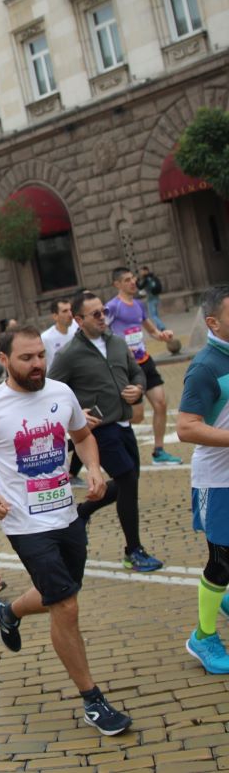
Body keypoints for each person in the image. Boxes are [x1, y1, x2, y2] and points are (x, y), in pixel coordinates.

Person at [0, 325, 133, 736]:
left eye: (40, 356)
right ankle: (93, 700)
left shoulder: (60, 393)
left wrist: (91, 467)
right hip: (24, 522)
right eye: (26, 358)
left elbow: (83, 435)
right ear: (4, 361)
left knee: (64, 591)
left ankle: (7, 612)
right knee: (66, 606)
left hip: (67, 515)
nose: (37, 365)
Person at [49, 290, 164, 572]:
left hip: (125, 424)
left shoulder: (116, 341)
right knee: (126, 479)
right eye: (96, 314)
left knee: (130, 480)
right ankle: (133, 550)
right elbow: (50, 391)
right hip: (100, 429)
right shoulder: (69, 354)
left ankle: (83, 512)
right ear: (79, 319)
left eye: (104, 311)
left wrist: (137, 388)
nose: (103, 317)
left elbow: (135, 371)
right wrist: (74, 414)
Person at [176, 284, 229, 673]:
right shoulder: (205, 366)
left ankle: (223, 599)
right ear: (213, 322)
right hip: (218, 480)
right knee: (221, 563)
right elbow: (186, 428)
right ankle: (203, 637)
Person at [107, 267, 180, 465]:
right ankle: (108, 434)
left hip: (145, 361)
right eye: (128, 280)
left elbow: (152, 331)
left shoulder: (139, 305)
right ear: (117, 284)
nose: (133, 282)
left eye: (133, 279)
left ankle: (158, 451)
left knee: (161, 403)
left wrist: (163, 336)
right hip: (127, 367)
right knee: (137, 417)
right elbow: (102, 332)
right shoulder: (113, 307)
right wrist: (118, 348)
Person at [41, 299, 79, 373]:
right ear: (55, 316)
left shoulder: (77, 328)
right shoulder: (45, 338)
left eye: (70, 310)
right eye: (65, 311)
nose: (70, 314)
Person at [137, 265, 166, 330]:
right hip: (156, 297)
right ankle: (159, 327)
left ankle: (162, 327)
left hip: (151, 299)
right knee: (156, 314)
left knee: (153, 315)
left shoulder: (146, 279)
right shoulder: (153, 277)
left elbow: (140, 287)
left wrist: (136, 281)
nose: (141, 273)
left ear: (146, 271)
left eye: (142, 271)